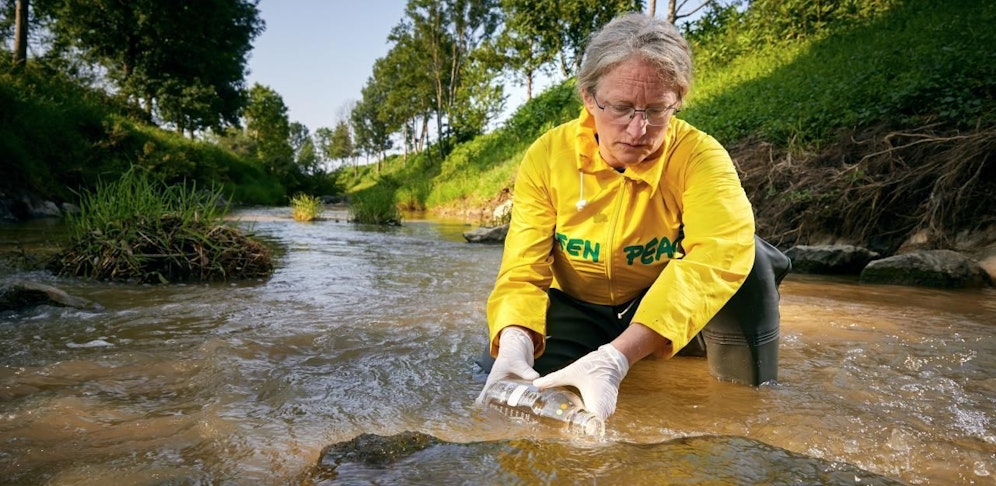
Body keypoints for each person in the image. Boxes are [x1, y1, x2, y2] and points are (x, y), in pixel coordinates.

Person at [476, 12, 791, 421]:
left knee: (750, 260)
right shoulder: (548, 156)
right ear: (589, 98)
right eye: (622, 108)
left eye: (657, 110)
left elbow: (718, 253)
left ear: (676, 102)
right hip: (577, 305)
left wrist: (617, 359)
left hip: (669, 306)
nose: (638, 129)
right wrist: (516, 340)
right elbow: (522, 269)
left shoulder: (701, 156)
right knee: (495, 378)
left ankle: (750, 402)